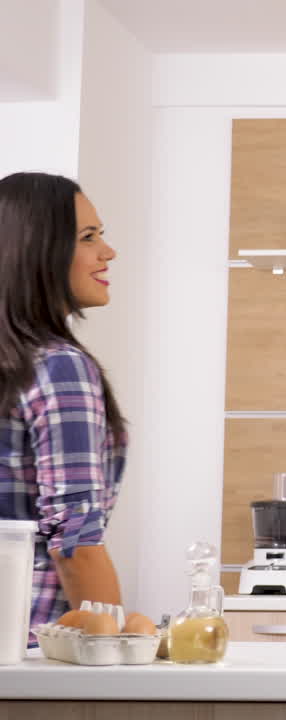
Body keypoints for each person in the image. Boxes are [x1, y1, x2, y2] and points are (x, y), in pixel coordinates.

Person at [0, 172, 127, 645]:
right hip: (35, 645)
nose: (107, 252)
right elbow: (75, 544)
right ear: (39, 249)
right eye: (89, 237)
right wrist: (112, 651)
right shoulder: (58, 367)